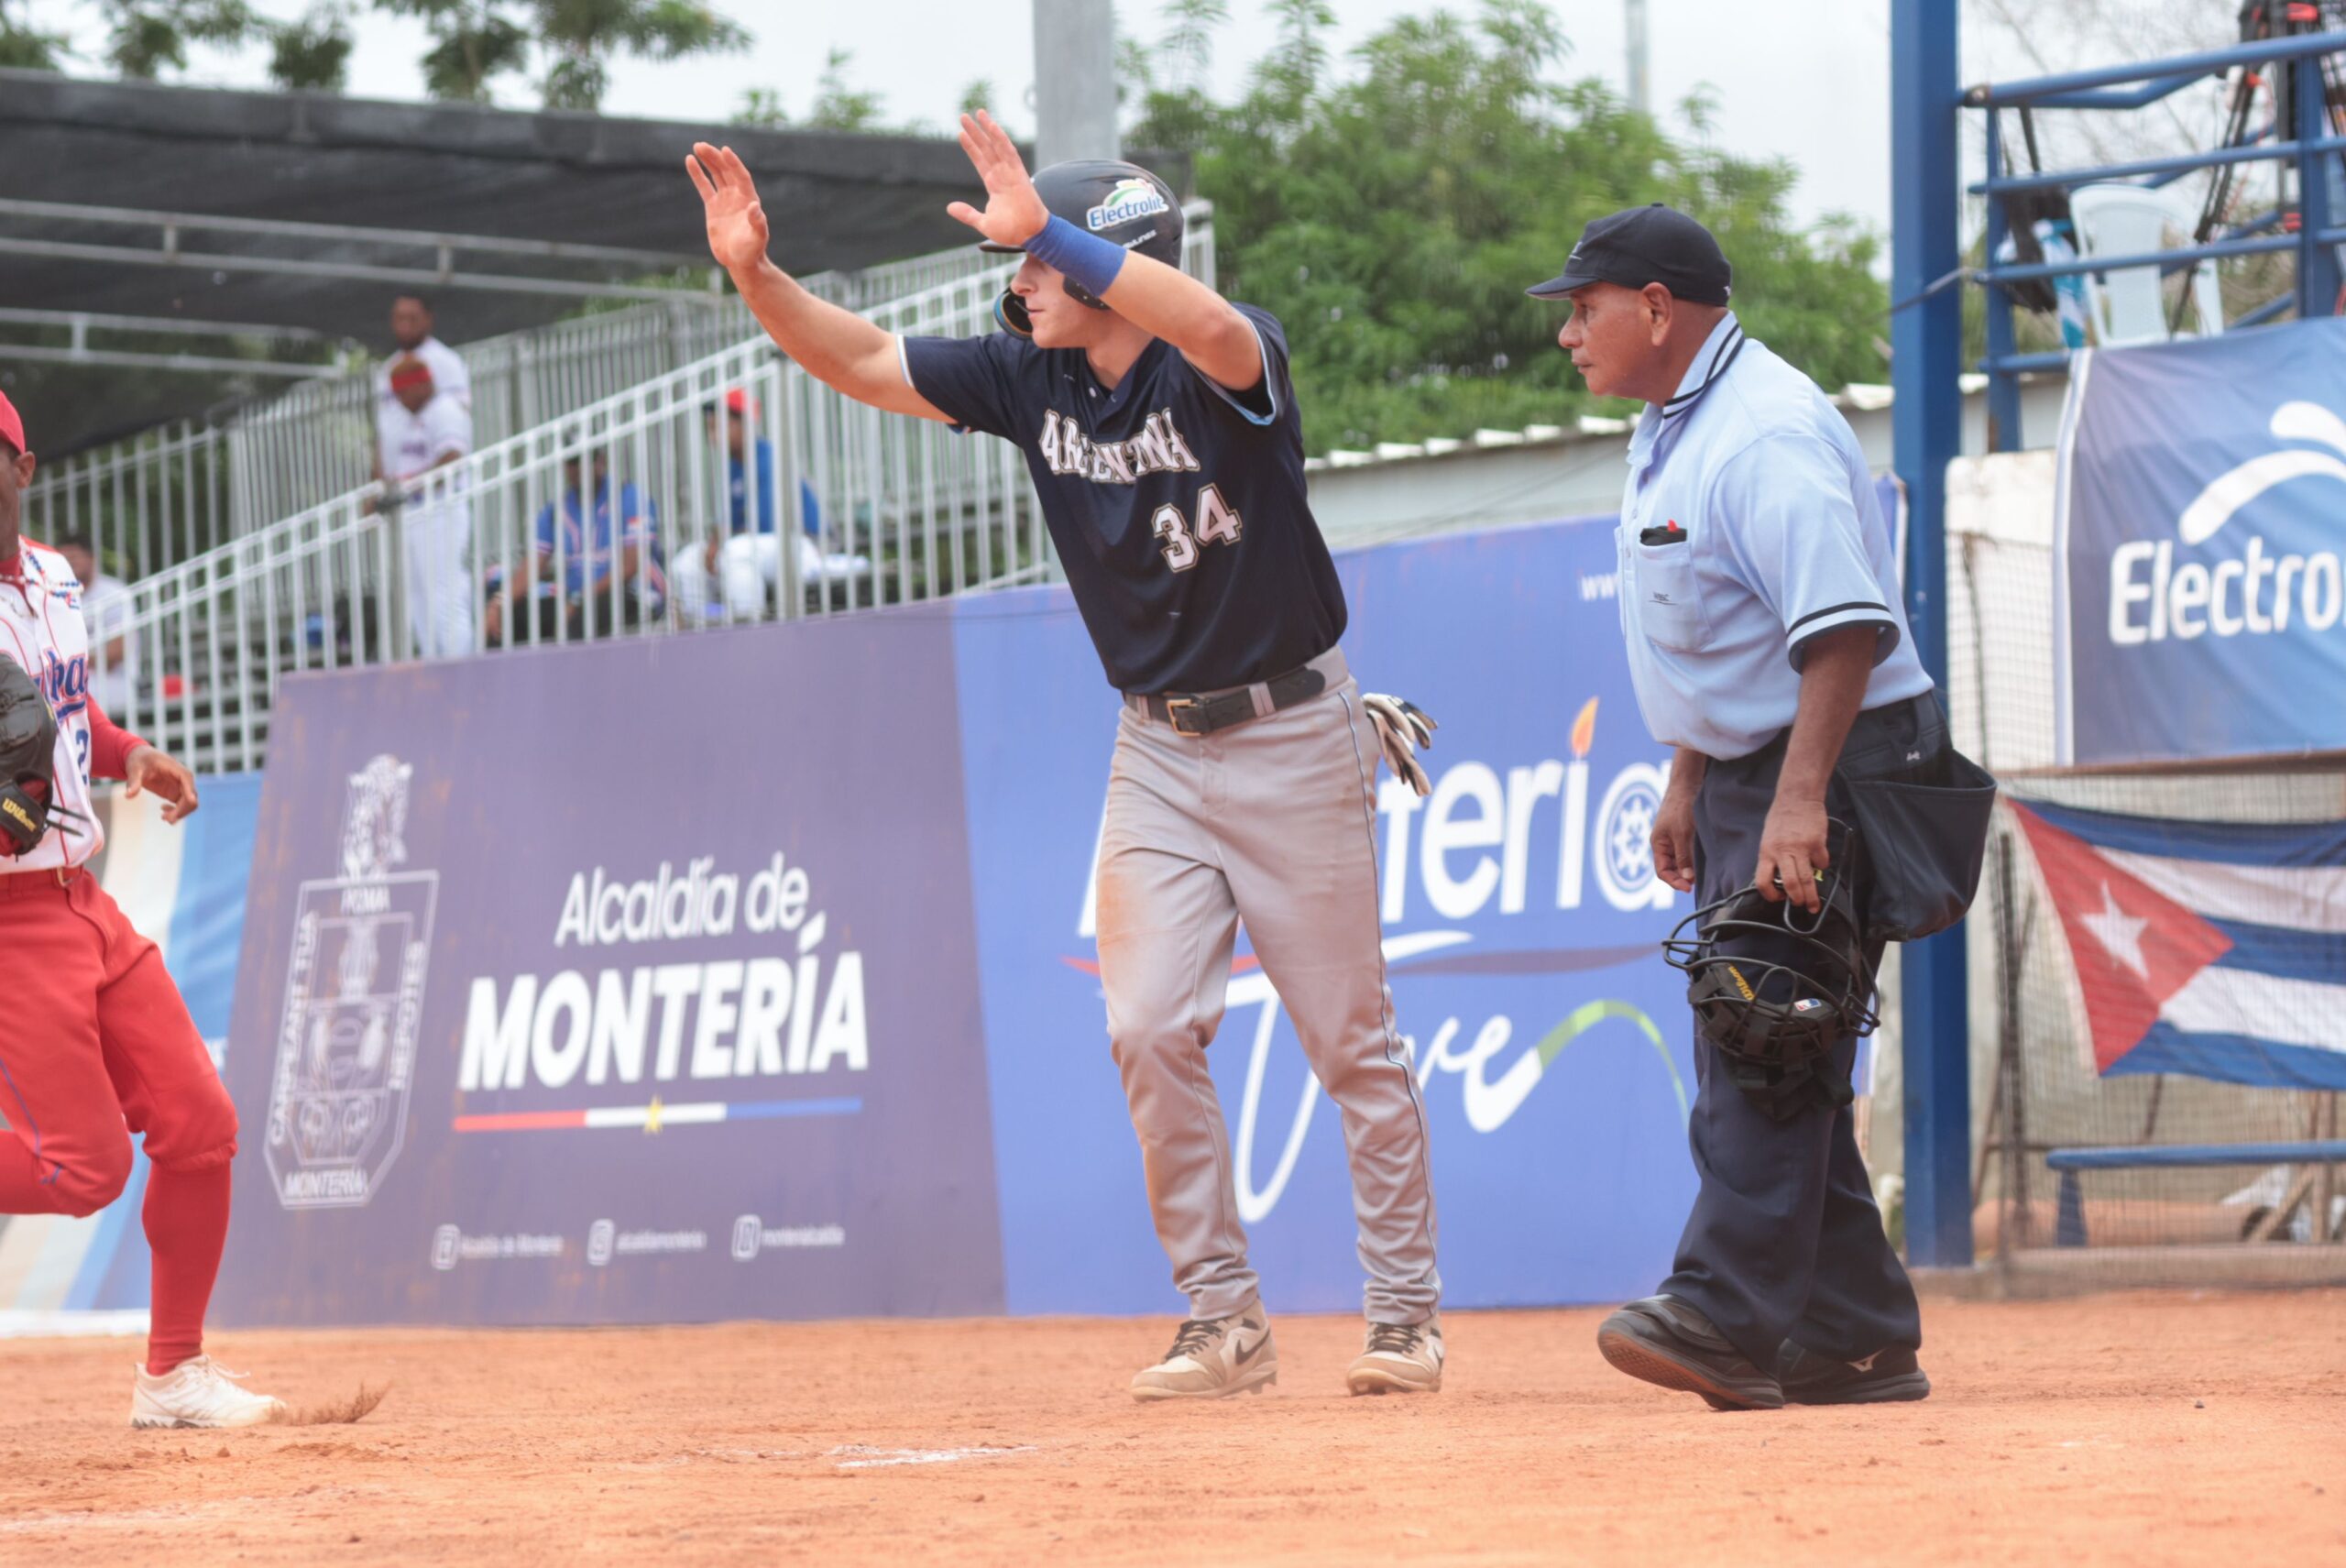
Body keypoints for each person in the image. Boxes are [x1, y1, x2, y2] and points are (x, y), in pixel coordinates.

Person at [687, 122, 1447, 1400]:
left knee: (1347, 1040)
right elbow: (866, 359)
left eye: (1039, 262)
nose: (1016, 279)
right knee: (1146, 1024)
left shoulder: (1223, 357)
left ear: (1105, 263)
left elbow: (1208, 323)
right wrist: (759, 278)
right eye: (1023, 260)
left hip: (1292, 728)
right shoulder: (1028, 377)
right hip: (1154, 744)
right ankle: (1224, 1320)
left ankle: (1406, 1316)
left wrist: (1048, 228)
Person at [1530, 204, 1941, 1409]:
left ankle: (1718, 1309)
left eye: (1584, 306)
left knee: (1764, 1031)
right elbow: (1719, 630)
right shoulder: (1678, 421)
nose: (1569, 332)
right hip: (1755, 764)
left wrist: (1798, 798)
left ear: (1658, 308)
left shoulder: (1760, 432)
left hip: (1834, 756)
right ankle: (1857, 1330)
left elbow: (1843, 628)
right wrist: (1690, 774)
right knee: (1777, 1026)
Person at [0, 389, 284, 1428]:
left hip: (88, 899)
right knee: (85, 1170)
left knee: (201, 1126)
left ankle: (172, 1376)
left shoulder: (54, 581)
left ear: (23, 470)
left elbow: (67, 712)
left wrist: (135, 754)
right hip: (9, 920)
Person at [671, 389, 867, 624]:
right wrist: (714, 543)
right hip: (766, 546)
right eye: (710, 429)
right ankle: (702, 625)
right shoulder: (733, 467)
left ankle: (751, 627)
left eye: (718, 427)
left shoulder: (769, 458)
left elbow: (767, 525)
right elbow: (727, 523)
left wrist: (722, 542)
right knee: (687, 561)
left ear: (743, 424)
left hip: (808, 544)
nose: (713, 437)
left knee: (738, 551)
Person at [483, 447, 665, 646]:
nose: (580, 468)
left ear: (601, 460)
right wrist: (500, 602)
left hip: (631, 595)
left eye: (588, 459)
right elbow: (532, 566)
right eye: (573, 461)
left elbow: (630, 566)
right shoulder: (557, 510)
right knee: (506, 621)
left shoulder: (629, 497)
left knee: (581, 618)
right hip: (576, 600)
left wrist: (579, 599)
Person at [376, 355, 476, 658]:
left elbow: (451, 459)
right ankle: (435, 665)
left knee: (445, 596)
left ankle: (460, 667)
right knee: (421, 600)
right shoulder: (417, 417)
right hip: (419, 516)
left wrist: (409, 486)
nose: (401, 401)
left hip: (442, 513)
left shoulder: (444, 411)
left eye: (403, 393)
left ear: (420, 386)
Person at [57, 533, 133, 718]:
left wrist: (70, 661)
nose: (69, 564)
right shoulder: (55, 596)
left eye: (73, 557)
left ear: (92, 558)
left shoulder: (114, 593)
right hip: (72, 680)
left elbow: (116, 653)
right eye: (64, 560)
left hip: (114, 681)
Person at [376, 292, 472, 417]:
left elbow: (461, 409)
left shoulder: (447, 361)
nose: (405, 326)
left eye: (412, 319)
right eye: (400, 318)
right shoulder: (388, 367)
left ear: (428, 319)